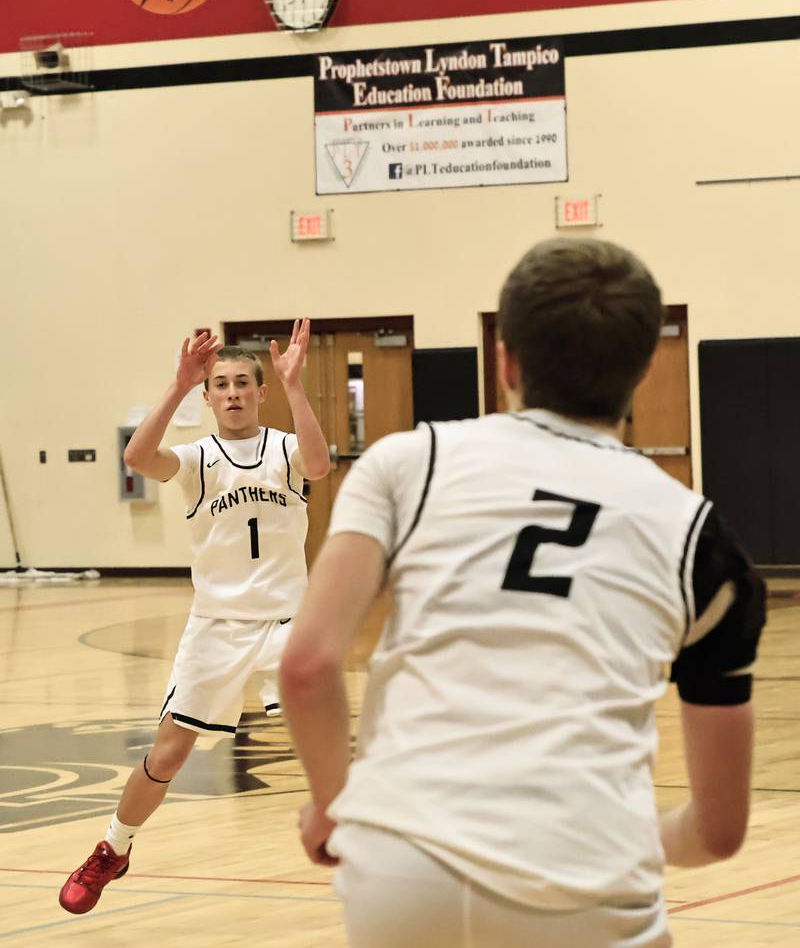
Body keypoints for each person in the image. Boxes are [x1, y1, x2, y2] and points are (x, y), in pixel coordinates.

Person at [279, 240, 766, 948]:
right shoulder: (702, 540)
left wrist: (336, 804)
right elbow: (718, 834)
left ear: (505, 359)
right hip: (591, 881)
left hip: (402, 870)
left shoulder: (404, 463)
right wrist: (626, 842)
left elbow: (307, 666)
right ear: (645, 367)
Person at [60, 319, 329, 915]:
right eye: (221, 384)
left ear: (261, 391)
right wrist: (179, 382)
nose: (232, 392)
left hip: (288, 620)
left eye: (243, 383)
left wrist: (298, 388)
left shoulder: (284, 446)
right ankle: (113, 847)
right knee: (169, 753)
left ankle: (381, 842)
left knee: (326, 738)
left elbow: (318, 466)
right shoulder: (196, 458)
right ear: (207, 397)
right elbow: (135, 455)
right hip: (217, 624)